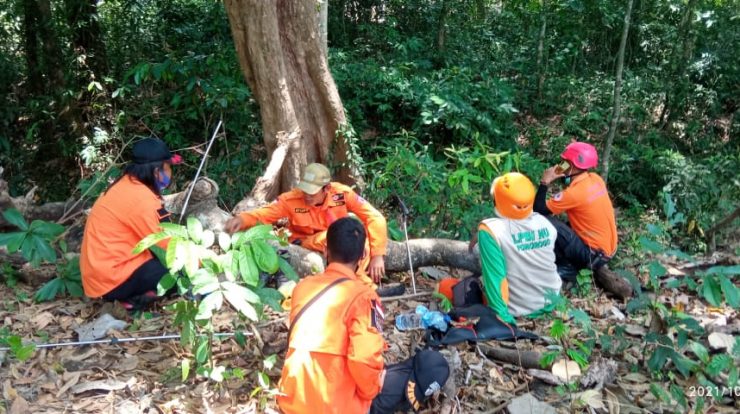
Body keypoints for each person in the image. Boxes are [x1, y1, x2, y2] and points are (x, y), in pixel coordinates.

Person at [277, 218, 449, 414]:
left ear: (326, 251)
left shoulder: (303, 287)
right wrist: (374, 386)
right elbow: (363, 357)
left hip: (292, 401)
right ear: (363, 256)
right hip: (335, 406)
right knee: (434, 364)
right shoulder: (364, 297)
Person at [224, 163, 388, 288]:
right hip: (308, 243)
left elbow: (374, 216)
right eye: (305, 190)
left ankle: (360, 279)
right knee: (333, 237)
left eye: (313, 191)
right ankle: (362, 285)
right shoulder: (291, 201)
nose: (307, 195)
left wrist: (378, 255)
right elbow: (264, 214)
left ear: (327, 188)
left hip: (338, 237)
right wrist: (243, 220)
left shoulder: (341, 194)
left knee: (359, 236)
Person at [80, 138, 181, 308]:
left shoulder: (124, 184)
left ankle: (137, 295)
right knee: (180, 273)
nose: (170, 172)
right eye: (169, 167)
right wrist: (205, 262)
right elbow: (165, 243)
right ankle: (135, 298)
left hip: (101, 276)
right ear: (157, 171)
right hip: (113, 279)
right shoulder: (141, 199)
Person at [453, 172, 560, 324]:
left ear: (498, 200)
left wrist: (503, 318)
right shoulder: (546, 224)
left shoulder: (491, 231)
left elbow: (496, 278)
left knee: (449, 287)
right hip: (551, 302)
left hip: (519, 309)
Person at [534, 141, 618, 281]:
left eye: (564, 163)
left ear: (571, 166)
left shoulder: (574, 193)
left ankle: (568, 268)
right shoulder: (596, 179)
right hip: (608, 250)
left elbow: (539, 210)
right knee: (565, 224)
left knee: (545, 221)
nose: (561, 166)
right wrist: (562, 174)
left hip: (592, 256)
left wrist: (544, 182)